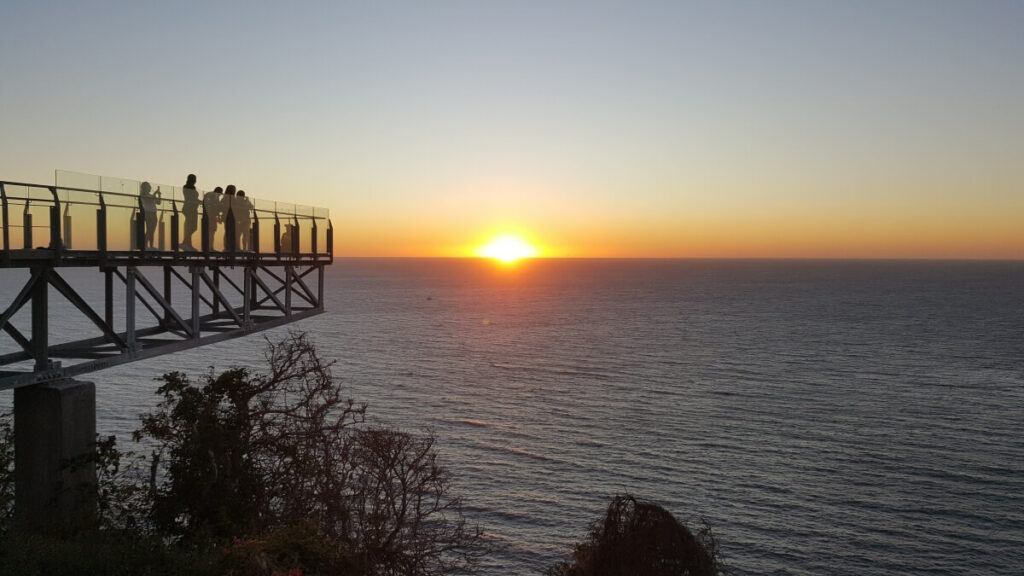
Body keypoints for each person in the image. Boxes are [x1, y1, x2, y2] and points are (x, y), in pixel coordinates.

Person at [139, 181, 162, 250]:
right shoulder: (143, 195)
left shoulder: (151, 195)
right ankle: (145, 245)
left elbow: (159, 202)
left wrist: (159, 195)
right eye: (148, 186)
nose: (150, 187)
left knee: (152, 230)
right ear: (145, 187)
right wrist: (155, 194)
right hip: (148, 213)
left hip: (154, 213)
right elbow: (148, 200)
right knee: (149, 229)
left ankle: (151, 246)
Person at [181, 174, 199, 251]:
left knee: (190, 227)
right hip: (189, 209)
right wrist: (196, 201)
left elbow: (194, 198)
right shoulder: (186, 187)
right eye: (194, 179)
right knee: (192, 227)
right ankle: (184, 243)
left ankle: (188, 244)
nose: (195, 181)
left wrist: (199, 201)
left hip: (193, 208)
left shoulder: (191, 188)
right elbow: (190, 198)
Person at [202, 186, 224, 250]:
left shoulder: (215, 197)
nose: (220, 195)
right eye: (220, 193)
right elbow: (207, 204)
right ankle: (208, 247)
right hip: (209, 217)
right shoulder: (210, 195)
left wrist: (218, 214)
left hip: (213, 217)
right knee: (209, 232)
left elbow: (217, 207)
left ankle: (210, 247)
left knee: (212, 232)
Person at [221, 185, 237, 251]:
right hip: (227, 217)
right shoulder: (226, 198)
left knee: (230, 232)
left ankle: (230, 246)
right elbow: (222, 206)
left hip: (232, 217)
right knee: (228, 232)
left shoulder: (232, 198)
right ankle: (227, 247)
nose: (234, 191)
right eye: (233, 189)